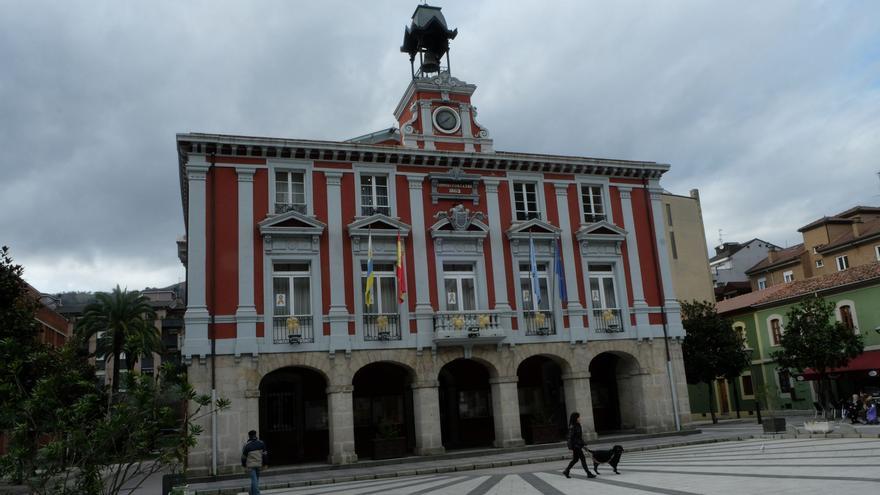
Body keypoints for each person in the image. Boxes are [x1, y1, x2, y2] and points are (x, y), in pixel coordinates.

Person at [562, 412, 596, 479]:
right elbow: (570, 437)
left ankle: (566, 471)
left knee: (575, 460)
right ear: (575, 418)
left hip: (578, 445)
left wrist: (583, 444)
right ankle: (588, 473)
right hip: (576, 446)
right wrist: (571, 447)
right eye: (578, 417)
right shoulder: (572, 426)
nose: (580, 418)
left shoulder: (578, 425)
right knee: (582, 459)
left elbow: (579, 437)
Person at [241, 430, 267, 495]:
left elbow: (243, 457)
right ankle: (252, 492)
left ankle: (256, 493)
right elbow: (265, 454)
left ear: (249, 436)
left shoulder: (246, 445)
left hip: (250, 466)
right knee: (256, 480)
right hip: (259, 464)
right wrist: (265, 464)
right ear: (255, 435)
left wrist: (244, 465)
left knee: (254, 480)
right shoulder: (261, 443)